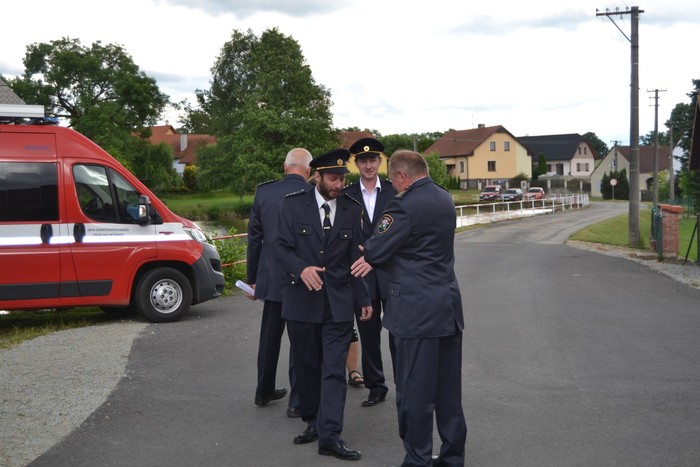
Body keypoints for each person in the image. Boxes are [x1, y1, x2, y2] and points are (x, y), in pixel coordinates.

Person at [359, 150, 467, 467]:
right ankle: (452, 457)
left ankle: (418, 459)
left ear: (402, 175)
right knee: (448, 392)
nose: (392, 185)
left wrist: (377, 250)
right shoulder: (445, 199)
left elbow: (375, 250)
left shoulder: (403, 206)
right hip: (447, 307)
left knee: (414, 391)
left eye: (392, 180)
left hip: (415, 313)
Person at [273, 148, 373, 461]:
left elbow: (355, 257)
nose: (338, 184)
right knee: (307, 367)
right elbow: (278, 246)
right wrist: (300, 268)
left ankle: (330, 435)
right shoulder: (292, 205)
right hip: (302, 300)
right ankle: (313, 422)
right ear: (317, 176)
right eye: (332, 178)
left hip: (339, 301)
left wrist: (364, 297)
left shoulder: (351, 208)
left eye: (342, 178)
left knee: (333, 369)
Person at [245, 148, 313, 418]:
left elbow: (254, 239)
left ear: (285, 167)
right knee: (300, 341)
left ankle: (263, 391)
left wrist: (252, 279)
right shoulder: (312, 193)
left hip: (271, 278)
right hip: (302, 277)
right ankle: (297, 401)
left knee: (269, 337)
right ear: (308, 170)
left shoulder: (264, 192)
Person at [343, 136, 396, 407]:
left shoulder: (394, 191)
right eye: (363, 161)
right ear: (356, 163)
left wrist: (374, 253)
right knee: (369, 334)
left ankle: (405, 383)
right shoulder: (347, 195)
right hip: (361, 275)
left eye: (372, 160)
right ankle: (376, 386)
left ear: (380, 161)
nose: (368, 165)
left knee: (399, 333)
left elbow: (401, 233)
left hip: (392, 273)